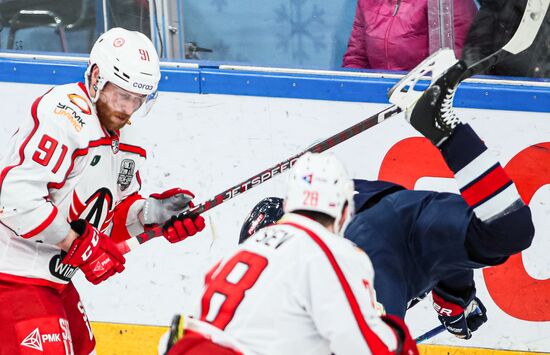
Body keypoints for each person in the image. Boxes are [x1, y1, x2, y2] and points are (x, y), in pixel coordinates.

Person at [238, 51, 535, 340]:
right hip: (407, 213)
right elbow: (447, 256)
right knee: (510, 230)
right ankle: (444, 126)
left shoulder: (317, 269)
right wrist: (456, 300)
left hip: (368, 247)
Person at [0, 27, 205, 354]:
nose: (128, 108)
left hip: (55, 281)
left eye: (138, 99)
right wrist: (75, 242)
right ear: (96, 77)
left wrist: (154, 214)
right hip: (12, 277)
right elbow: (13, 200)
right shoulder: (64, 114)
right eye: (122, 95)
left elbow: (108, 221)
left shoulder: (127, 139)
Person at [161, 152, 418, 355]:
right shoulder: (335, 253)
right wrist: (396, 336)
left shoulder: (251, 245)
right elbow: (365, 347)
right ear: (343, 212)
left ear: (288, 205)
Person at [342, 0, 477, 71]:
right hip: (377, 97)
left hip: (423, 100)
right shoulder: (367, 2)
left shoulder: (448, 2)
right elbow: (355, 59)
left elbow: (455, 67)